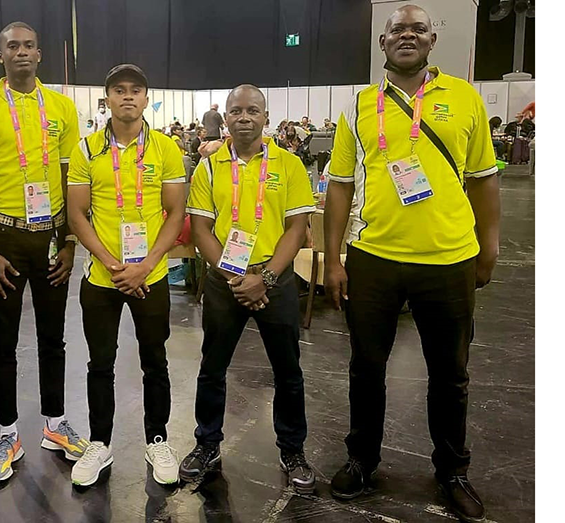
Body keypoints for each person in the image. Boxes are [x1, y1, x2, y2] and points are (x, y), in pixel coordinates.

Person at [323, 6, 500, 522]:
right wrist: (333, 259)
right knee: (366, 368)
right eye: (397, 29)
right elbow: (339, 187)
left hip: (449, 259)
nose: (407, 35)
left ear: (431, 40)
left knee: (451, 375)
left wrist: (488, 246)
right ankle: (362, 459)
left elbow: (484, 178)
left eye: (417, 29)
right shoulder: (359, 106)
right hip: (374, 259)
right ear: (382, 43)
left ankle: (452, 471)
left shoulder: (464, 98)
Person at [0, 21, 89, 485]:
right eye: (12, 46)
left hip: (51, 236)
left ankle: (55, 424)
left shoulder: (62, 107)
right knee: (4, 342)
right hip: (5, 238)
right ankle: (7, 433)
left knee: (54, 338)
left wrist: (70, 242)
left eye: (29, 45)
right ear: (1, 56)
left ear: (39, 54)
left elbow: (73, 179)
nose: (21, 52)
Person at [179, 84, 317, 493]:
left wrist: (266, 278)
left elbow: (297, 228)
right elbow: (201, 230)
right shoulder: (208, 168)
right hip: (227, 282)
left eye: (252, 110)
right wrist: (236, 278)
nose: (244, 117)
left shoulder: (289, 165)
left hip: (276, 280)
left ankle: (293, 450)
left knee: (288, 372)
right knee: (212, 368)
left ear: (265, 117)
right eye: (236, 111)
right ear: (225, 119)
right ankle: (207, 444)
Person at [67, 63, 186, 487]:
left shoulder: (166, 149)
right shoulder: (86, 150)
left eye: (136, 89)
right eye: (119, 90)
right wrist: (111, 263)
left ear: (146, 98)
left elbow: (175, 213)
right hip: (102, 278)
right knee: (100, 363)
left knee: (155, 361)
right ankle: (100, 443)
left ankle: (158, 439)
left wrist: (146, 265)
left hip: (150, 277)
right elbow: (77, 215)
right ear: (108, 99)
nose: (128, 96)